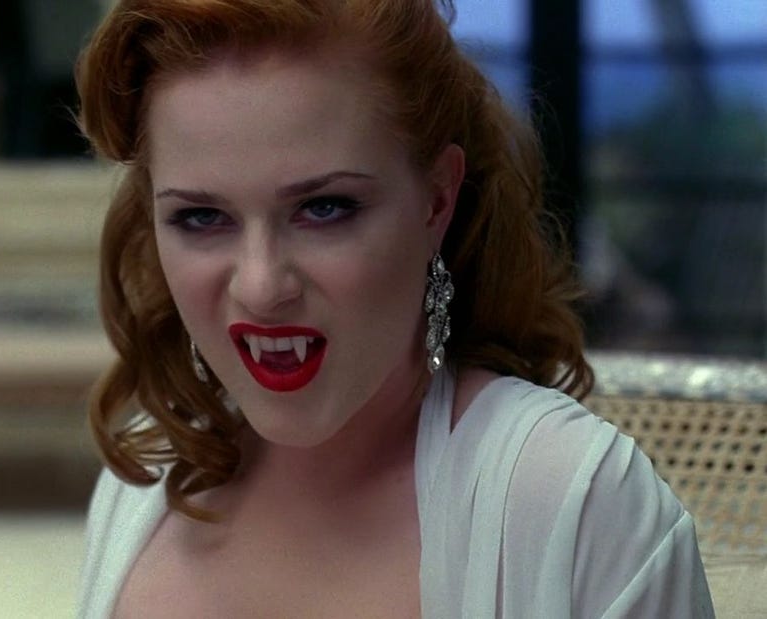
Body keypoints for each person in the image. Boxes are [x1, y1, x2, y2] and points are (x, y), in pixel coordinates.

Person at [73, 0, 714, 616]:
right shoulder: (148, 476)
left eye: (324, 208)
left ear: (436, 200)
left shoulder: (574, 503)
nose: (262, 287)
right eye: (201, 217)